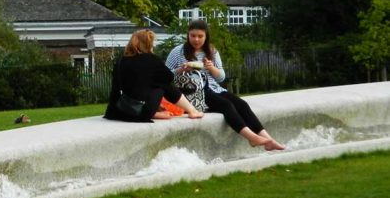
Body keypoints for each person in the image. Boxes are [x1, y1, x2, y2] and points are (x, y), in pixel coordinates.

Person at [165, 19, 285, 151]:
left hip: (214, 89)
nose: (196, 40)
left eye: (200, 36)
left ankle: (268, 139)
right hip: (192, 92)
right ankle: (252, 138)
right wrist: (181, 70)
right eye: (193, 36)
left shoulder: (212, 52)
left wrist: (211, 68)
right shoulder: (178, 52)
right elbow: (165, 75)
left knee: (242, 104)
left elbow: (221, 77)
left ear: (206, 36)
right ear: (188, 35)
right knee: (226, 105)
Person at [104, 29, 204, 122]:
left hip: (119, 111)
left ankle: (155, 112)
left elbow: (116, 88)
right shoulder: (152, 59)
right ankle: (192, 110)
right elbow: (170, 78)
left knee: (154, 83)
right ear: (148, 45)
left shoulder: (121, 60)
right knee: (164, 84)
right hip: (139, 112)